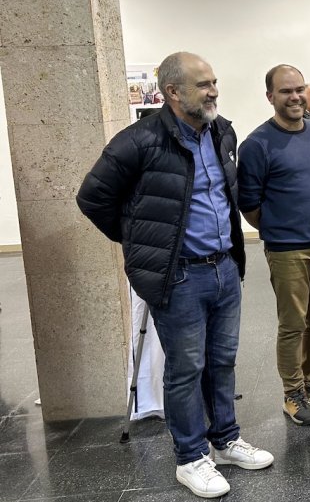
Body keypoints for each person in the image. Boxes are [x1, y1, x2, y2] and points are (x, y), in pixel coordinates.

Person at [77, 52, 273, 499]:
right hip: (180, 277)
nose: (214, 90)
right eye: (203, 84)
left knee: (222, 360)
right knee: (186, 369)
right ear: (172, 92)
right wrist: (141, 242)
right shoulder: (139, 141)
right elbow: (93, 198)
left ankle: (224, 440)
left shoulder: (223, 131)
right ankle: (190, 457)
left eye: (214, 81)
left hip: (224, 266)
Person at [237, 64, 310, 426]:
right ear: (270, 97)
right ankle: (293, 393)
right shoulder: (256, 145)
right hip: (287, 251)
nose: (295, 97)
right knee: (293, 324)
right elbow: (249, 205)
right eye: (286, 91)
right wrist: (279, 230)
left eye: (299, 89)